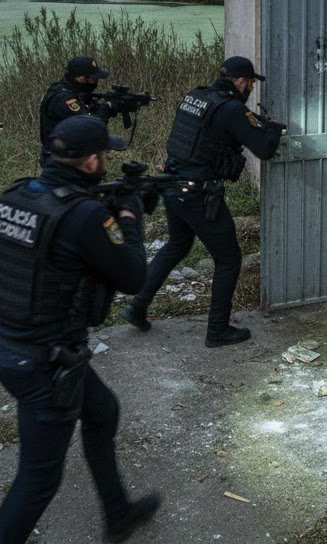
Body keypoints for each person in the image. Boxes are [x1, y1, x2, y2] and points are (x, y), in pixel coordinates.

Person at [0, 115, 160, 544]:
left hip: (10, 344)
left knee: (103, 411)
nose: (106, 162)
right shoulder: (84, 215)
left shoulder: (18, 196)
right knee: (38, 478)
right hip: (43, 361)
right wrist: (129, 216)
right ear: (91, 161)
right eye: (103, 156)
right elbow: (133, 274)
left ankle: (117, 512)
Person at [121, 56, 284, 348]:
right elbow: (264, 149)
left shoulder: (196, 97)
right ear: (239, 81)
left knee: (177, 245)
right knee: (229, 259)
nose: (249, 89)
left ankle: (137, 306)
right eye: (248, 83)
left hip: (172, 186)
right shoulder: (232, 109)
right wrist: (272, 128)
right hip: (198, 194)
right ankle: (217, 331)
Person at [38, 55, 111, 161]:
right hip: (59, 159)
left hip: (67, 154)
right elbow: (90, 128)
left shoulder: (67, 90)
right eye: (92, 79)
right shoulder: (63, 98)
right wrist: (106, 109)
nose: (95, 82)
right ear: (80, 78)